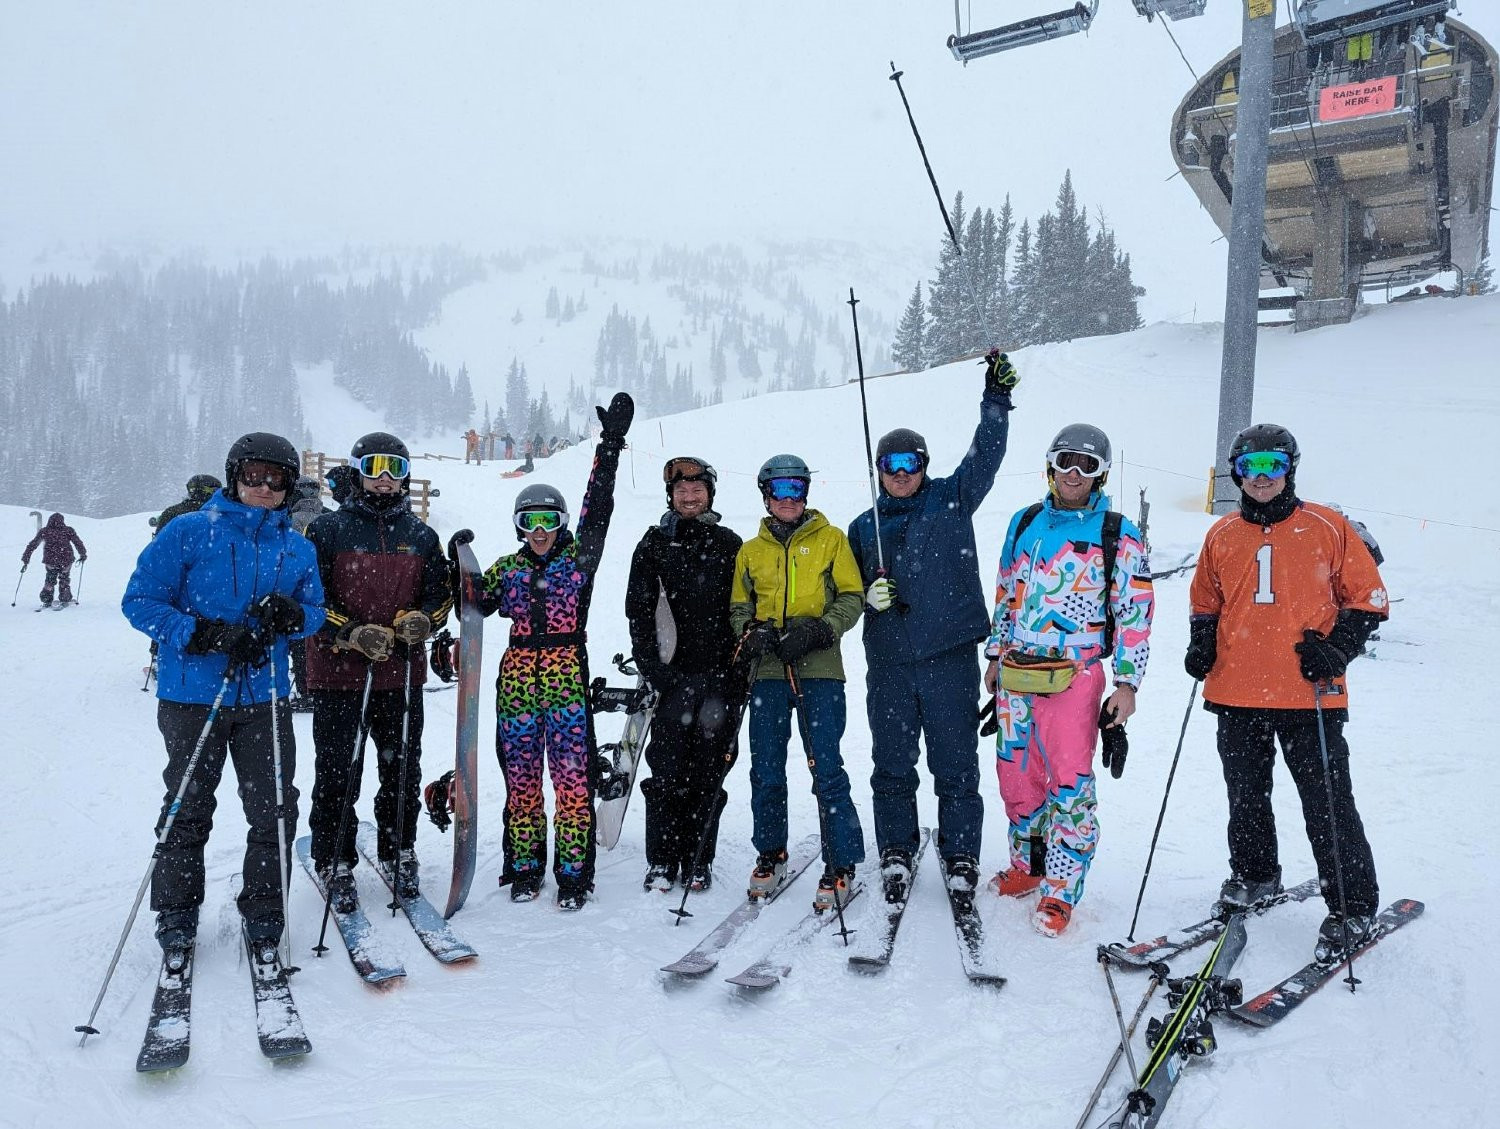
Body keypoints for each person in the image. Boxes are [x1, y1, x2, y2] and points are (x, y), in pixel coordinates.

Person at [121, 432, 325, 967]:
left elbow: (315, 611)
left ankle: (264, 914)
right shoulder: (189, 532)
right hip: (194, 696)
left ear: (289, 485)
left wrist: (293, 616)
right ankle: (176, 917)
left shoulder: (297, 547)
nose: (263, 487)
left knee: (275, 810)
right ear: (235, 475)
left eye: (275, 478)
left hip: (266, 697)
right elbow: (139, 601)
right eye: (253, 475)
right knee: (188, 806)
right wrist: (205, 634)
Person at [1187, 424, 1387, 960]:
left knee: (1326, 801)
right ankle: (1255, 875)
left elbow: (1368, 599)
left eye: (1272, 465)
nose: (1261, 478)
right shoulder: (1222, 534)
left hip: (1309, 694)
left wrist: (1338, 647)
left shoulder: (1328, 526)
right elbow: (1206, 601)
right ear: (1235, 473)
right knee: (1246, 796)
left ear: (1290, 468)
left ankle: (1353, 905)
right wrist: (1201, 643)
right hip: (1237, 690)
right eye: (1249, 468)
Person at [848, 349, 1018, 907]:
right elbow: (844, 597)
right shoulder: (861, 527)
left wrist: (995, 402)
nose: (901, 475)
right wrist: (868, 600)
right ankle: (895, 849)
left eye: (911, 464)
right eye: (891, 466)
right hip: (891, 664)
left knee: (955, 763)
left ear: (924, 465)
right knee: (892, 764)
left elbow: (985, 457)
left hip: (948, 658)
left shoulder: (951, 499)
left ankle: (961, 850)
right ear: (879, 470)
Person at [983, 424, 1154, 937]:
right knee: (1017, 777)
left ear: (1101, 472)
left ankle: (1060, 891)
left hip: (1074, 675)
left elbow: (1135, 610)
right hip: (1017, 672)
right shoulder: (1026, 521)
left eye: (1087, 464)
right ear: (1050, 466)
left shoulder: (1117, 532)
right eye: (1065, 462)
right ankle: (1030, 865)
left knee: (1070, 785)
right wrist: (995, 653)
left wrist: (1126, 684)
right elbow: (1007, 589)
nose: (1074, 473)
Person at [477, 393, 634, 909]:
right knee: (521, 783)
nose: (540, 533)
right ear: (518, 528)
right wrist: (459, 579)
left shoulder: (578, 561)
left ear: (561, 524)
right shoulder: (507, 568)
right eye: (530, 523)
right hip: (518, 682)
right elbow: (476, 604)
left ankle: (572, 876)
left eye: (548, 521)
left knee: (571, 785)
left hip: (566, 679)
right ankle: (524, 869)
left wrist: (608, 449)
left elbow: (600, 510)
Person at [304, 433, 452, 908]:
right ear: (358, 471)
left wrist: (423, 619)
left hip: (401, 674)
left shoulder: (421, 536)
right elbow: (310, 600)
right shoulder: (328, 531)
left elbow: (440, 594)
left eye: (395, 469)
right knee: (338, 771)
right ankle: (334, 858)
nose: (386, 479)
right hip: (338, 675)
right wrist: (349, 632)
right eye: (375, 467)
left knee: (403, 770)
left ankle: (398, 848)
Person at [729, 455, 865, 912]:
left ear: (806, 493)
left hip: (819, 669)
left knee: (824, 764)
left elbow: (852, 595)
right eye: (780, 490)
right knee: (766, 767)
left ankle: (841, 861)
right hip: (767, 672)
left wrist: (820, 629)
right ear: (766, 495)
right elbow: (738, 607)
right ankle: (771, 853)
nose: (789, 499)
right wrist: (753, 633)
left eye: (797, 490)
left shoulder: (831, 540)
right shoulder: (751, 550)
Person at [625, 456, 744, 893]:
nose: (690, 496)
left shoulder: (731, 544)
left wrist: (739, 669)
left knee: (709, 772)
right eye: (682, 491)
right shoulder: (654, 544)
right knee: (667, 771)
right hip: (672, 679)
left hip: (718, 680)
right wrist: (653, 669)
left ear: (710, 493)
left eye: (697, 490)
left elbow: (745, 610)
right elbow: (637, 610)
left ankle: (698, 858)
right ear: (671, 496)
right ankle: (662, 859)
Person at [287, 476, 330, 711]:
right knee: (321, 639)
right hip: (324, 588)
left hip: (296, 588)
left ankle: (306, 690)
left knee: (299, 642)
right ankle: (320, 686)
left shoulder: (288, 519)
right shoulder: (328, 517)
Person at [23, 512, 87, 607]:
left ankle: (47, 599)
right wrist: (83, 554)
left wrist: (26, 557)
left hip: (50, 560)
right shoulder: (68, 530)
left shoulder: (44, 531)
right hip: (66, 559)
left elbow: (33, 544)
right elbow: (77, 542)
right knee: (64, 578)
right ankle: (65, 597)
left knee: (50, 579)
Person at [152, 474, 222, 537]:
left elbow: (157, 546)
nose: (219, 494)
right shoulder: (218, 514)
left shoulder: (171, 512)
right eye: (215, 490)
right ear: (205, 491)